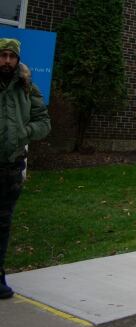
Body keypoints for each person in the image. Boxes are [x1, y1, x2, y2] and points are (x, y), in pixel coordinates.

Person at [0, 38, 51, 299]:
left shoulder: (27, 88)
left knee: (3, 222)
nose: (7, 60)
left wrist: (24, 132)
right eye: (3, 55)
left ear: (17, 59)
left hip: (10, 166)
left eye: (12, 56)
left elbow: (43, 121)